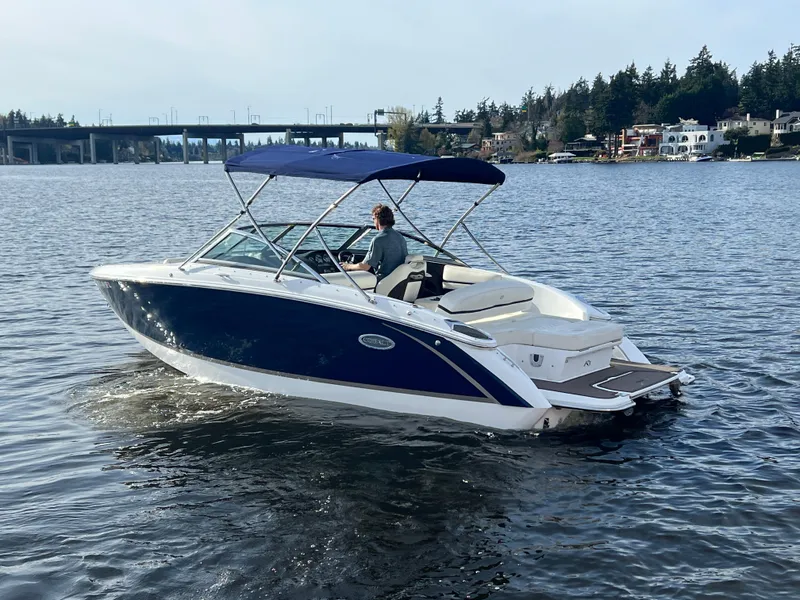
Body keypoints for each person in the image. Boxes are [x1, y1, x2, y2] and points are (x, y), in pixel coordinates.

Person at [341, 204, 407, 281]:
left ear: (377, 219)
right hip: (399, 280)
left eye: (373, 219)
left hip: (384, 281)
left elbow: (365, 267)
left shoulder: (378, 240)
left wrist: (347, 266)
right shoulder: (400, 237)